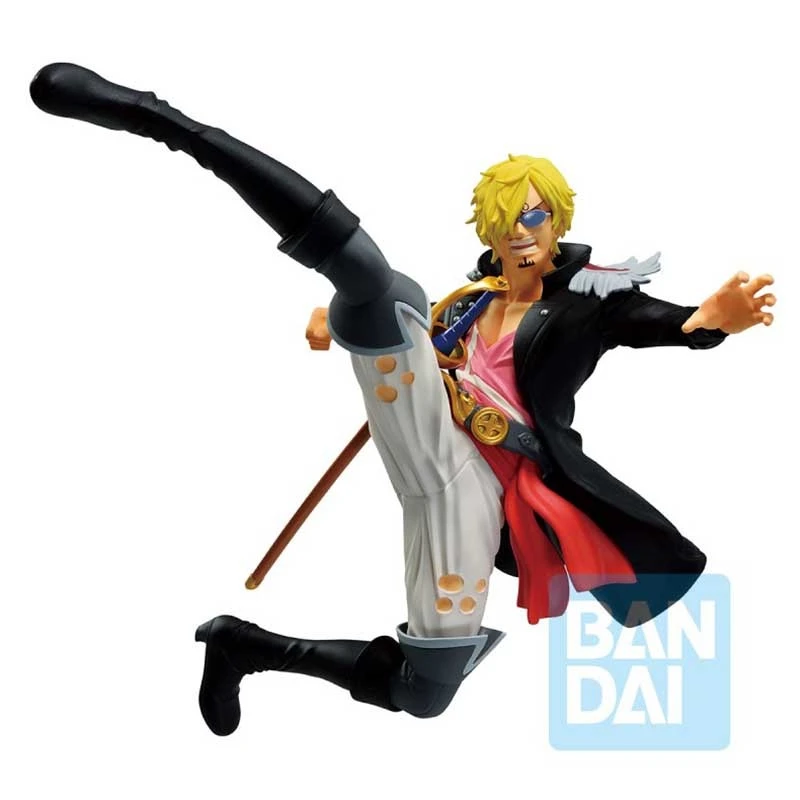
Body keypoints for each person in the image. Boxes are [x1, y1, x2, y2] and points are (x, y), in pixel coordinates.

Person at [30, 63, 776, 735]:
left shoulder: (590, 298)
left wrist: (707, 320)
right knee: (380, 288)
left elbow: (664, 322)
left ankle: (244, 646)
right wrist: (345, 320)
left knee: (426, 690)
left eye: (534, 217)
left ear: (557, 222)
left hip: (490, 489)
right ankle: (166, 123)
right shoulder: (467, 302)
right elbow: (413, 339)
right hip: (431, 431)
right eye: (506, 221)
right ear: (489, 232)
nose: (521, 233)